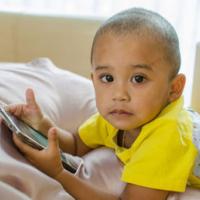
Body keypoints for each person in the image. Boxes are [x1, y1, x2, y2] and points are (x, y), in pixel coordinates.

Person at [3, 7, 200, 200]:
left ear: (174, 88)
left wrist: (59, 174)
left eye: (138, 79)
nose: (119, 94)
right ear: (93, 79)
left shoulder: (168, 137)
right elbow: (76, 145)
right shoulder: (118, 114)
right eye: (107, 78)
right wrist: (40, 124)